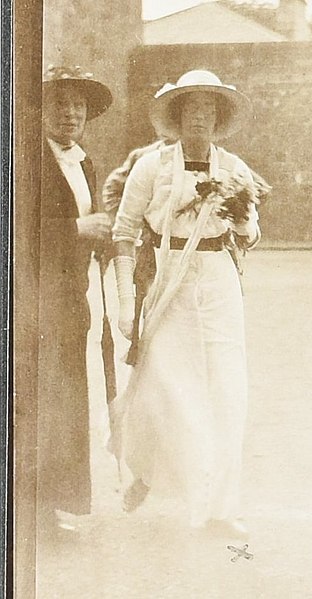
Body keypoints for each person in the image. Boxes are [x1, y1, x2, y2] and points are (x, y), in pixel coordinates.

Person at [111, 70, 261, 536]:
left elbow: (251, 236)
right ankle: (146, 469)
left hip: (217, 283)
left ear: (218, 118)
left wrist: (241, 221)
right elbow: (124, 231)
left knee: (227, 391)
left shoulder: (235, 169)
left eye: (209, 109)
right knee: (165, 388)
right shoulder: (151, 167)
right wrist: (124, 302)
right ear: (176, 117)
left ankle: (218, 509)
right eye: (191, 108)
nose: (200, 116)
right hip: (167, 276)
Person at [38, 65, 113, 534]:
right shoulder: (24, 161)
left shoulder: (83, 161)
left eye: (78, 105)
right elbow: (17, 232)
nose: (70, 113)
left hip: (70, 303)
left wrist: (100, 239)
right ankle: (25, 511)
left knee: (64, 403)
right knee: (35, 403)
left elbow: (88, 221)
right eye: (60, 103)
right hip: (32, 305)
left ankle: (48, 508)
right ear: (41, 109)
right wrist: (77, 230)